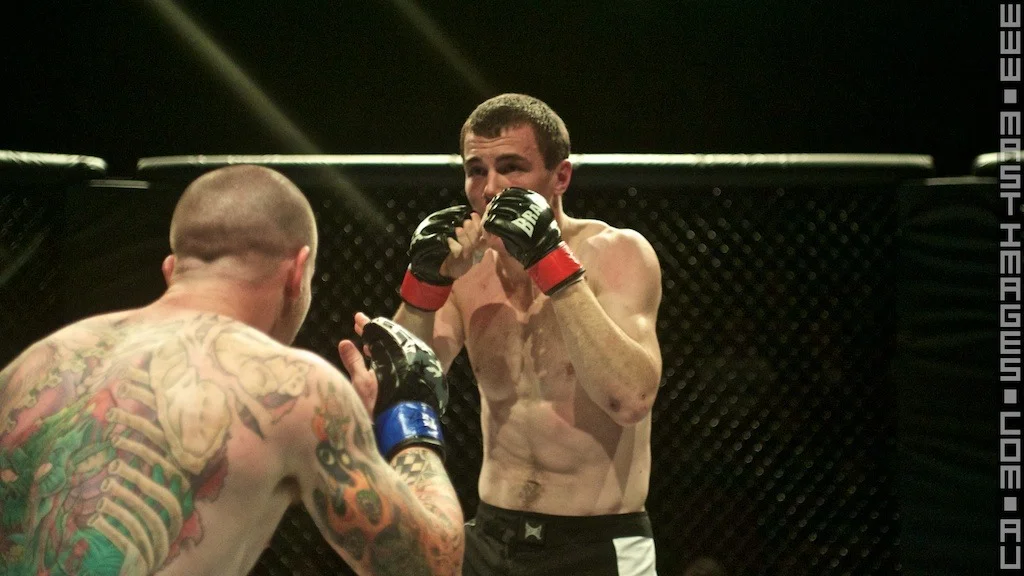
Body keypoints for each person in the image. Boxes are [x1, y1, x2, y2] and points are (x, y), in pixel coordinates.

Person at [0, 165, 464, 575]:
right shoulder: (298, 389)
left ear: (172, 269)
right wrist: (409, 411)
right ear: (297, 273)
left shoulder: (35, 365)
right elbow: (433, 565)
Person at [350, 93, 664, 574]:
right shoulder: (465, 273)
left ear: (561, 177)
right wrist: (426, 286)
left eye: (511, 167)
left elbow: (629, 398)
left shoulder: (616, 254)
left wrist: (550, 263)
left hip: (595, 544)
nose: (491, 188)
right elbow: (400, 390)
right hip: (491, 538)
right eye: (476, 171)